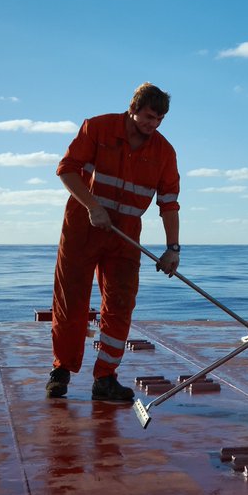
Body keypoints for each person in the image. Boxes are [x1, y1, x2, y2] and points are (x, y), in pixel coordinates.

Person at [46, 82, 182, 402]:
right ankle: (61, 372)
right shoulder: (97, 127)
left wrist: (173, 249)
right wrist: (93, 206)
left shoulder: (164, 152)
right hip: (84, 226)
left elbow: (170, 203)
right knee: (71, 301)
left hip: (125, 236)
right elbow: (66, 170)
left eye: (160, 119)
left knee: (121, 304)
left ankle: (105, 378)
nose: (153, 124)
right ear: (133, 109)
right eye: (149, 117)